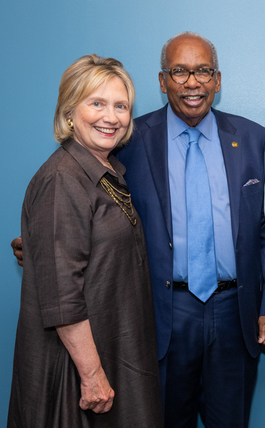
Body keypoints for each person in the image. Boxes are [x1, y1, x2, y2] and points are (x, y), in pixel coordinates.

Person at [115, 32, 265, 428]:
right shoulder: (130, 140)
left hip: (234, 312)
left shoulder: (253, 138)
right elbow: (100, 208)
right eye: (180, 72)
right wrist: (46, 240)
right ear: (162, 81)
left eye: (203, 71)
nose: (193, 83)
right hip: (163, 313)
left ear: (218, 79)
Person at [8, 54, 163, 427]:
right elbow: (62, 294)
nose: (111, 117)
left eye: (120, 106)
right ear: (69, 113)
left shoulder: (107, 171)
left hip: (112, 349)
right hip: (76, 370)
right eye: (97, 103)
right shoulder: (63, 179)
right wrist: (92, 375)